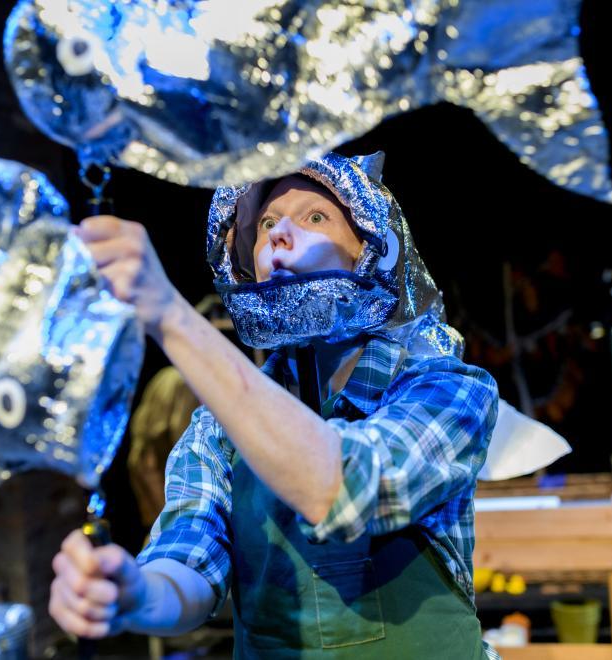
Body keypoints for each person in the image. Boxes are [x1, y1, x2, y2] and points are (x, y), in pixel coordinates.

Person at [49, 152, 500, 658]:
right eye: (266, 223)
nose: (280, 234)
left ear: (371, 252)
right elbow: (191, 560)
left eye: (315, 217)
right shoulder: (217, 429)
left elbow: (345, 488)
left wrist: (170, 315)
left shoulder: (446, 389)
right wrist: (134, 593)